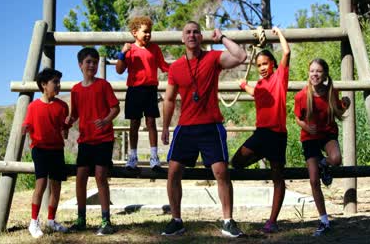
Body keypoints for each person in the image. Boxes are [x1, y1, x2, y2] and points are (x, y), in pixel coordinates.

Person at [161, 21, 247, 237]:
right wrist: (165, 128)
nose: (192, 35)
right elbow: (169, 99)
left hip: (211, 126)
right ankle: (176, 220)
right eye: (188, 32)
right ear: (183, 38)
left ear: (202, 37)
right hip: (185, 127)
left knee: (221, 172)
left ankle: (228, 221)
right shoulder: (176, 67)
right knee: (172, 173)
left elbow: (240, 56)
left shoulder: (213, 58)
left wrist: (222, 38)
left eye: (196, 32)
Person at [231, 27, 291, 234]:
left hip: (277, 135)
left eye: (265, 64)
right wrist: (243, 86)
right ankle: (262, 154)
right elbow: (257, 93)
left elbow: (287, 53)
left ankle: (272, 220)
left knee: (277, 177)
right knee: (236, 162)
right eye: (259, 65)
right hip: (261, 134)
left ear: (272, 64)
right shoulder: (260, 84)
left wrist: (279, 33)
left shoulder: (280, 77)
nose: (262, 68)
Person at [66, 47, 120, 235]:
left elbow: (115, 108)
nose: (92, 65)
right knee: (80, 178)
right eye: (88, 62)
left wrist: (106, 120)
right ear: (80, 65)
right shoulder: (75, 90)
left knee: (100, 176)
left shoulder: (103, 85)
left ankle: (106, 221)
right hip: (85, 141)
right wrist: (66, 122)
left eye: (95, 62)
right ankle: (81, 219)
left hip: (104, 139)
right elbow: (74, 115)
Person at [294, 58, 350, 236]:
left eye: (318, 71)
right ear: (308, 73)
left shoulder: (331, 92)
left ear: (324, 74)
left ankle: (323, 164)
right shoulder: (301, 96)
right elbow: (298, 118)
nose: (314, 74)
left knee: (336, 159)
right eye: (312, 71)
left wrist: (345, 104)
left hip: (327, 135)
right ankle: (324, 220)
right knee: (313, 179)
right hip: (309, 138)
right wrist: (305, 126)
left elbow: (338, 111)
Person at [116, 16, 169, 171]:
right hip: (134, 90)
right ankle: (132, 157)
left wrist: (181, 68)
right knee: (134, 124)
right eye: (145, 32)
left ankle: (154, 157)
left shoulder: (155, 49)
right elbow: (119, 70)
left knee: (151, 122)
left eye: (150, 32)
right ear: (134, 32)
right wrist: (122, 53)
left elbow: (164, 66)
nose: (148, 35)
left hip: (151, 90)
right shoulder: (130, 49)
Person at [22, 68, 70, 238]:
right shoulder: (33, 106)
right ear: (43, 85)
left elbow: (64, 132)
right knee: (41, 185)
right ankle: (33, 222)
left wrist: (67, 128)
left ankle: (51, 220)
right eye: (55, 82)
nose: (58, 85)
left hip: (57, 150)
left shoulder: (63, 106)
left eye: (59, 82)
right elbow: (26, 127)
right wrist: (24, 130)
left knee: (56, 186)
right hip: (40, 150)